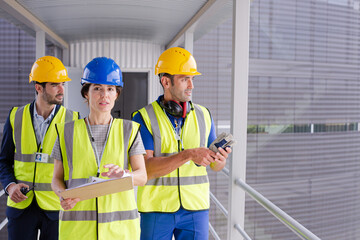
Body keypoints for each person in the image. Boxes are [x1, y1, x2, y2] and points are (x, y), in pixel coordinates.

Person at [132, 47, 232, 240]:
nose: (191, 85)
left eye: (192, 79)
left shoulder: (204, 115)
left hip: (196, 209)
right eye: (185, 79)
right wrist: (188, 154)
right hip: (156, 208)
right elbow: (146, 168)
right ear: (165, 81)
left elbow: (215, 165)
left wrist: (221, 159)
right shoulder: (143, 117)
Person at [51, 57, 147, 240]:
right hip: (77, 232)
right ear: (86, 93)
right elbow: (56, 178)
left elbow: (142, 176)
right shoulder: (66, 132)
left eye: (110, 89)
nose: (105, 95)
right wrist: (62, 195)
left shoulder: (130, 130)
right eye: (97, 89)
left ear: (117, 94)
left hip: (120, 232)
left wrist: (125, 175)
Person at [0, 56, 79, 240]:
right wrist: (10, 187)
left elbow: (76, 165)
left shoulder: (73, 120)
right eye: (55, 85)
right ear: (38, 87)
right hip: (21, 208)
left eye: (63, 84)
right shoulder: (15, 117)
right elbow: (3, 161)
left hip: (55, 209)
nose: (61, 90)